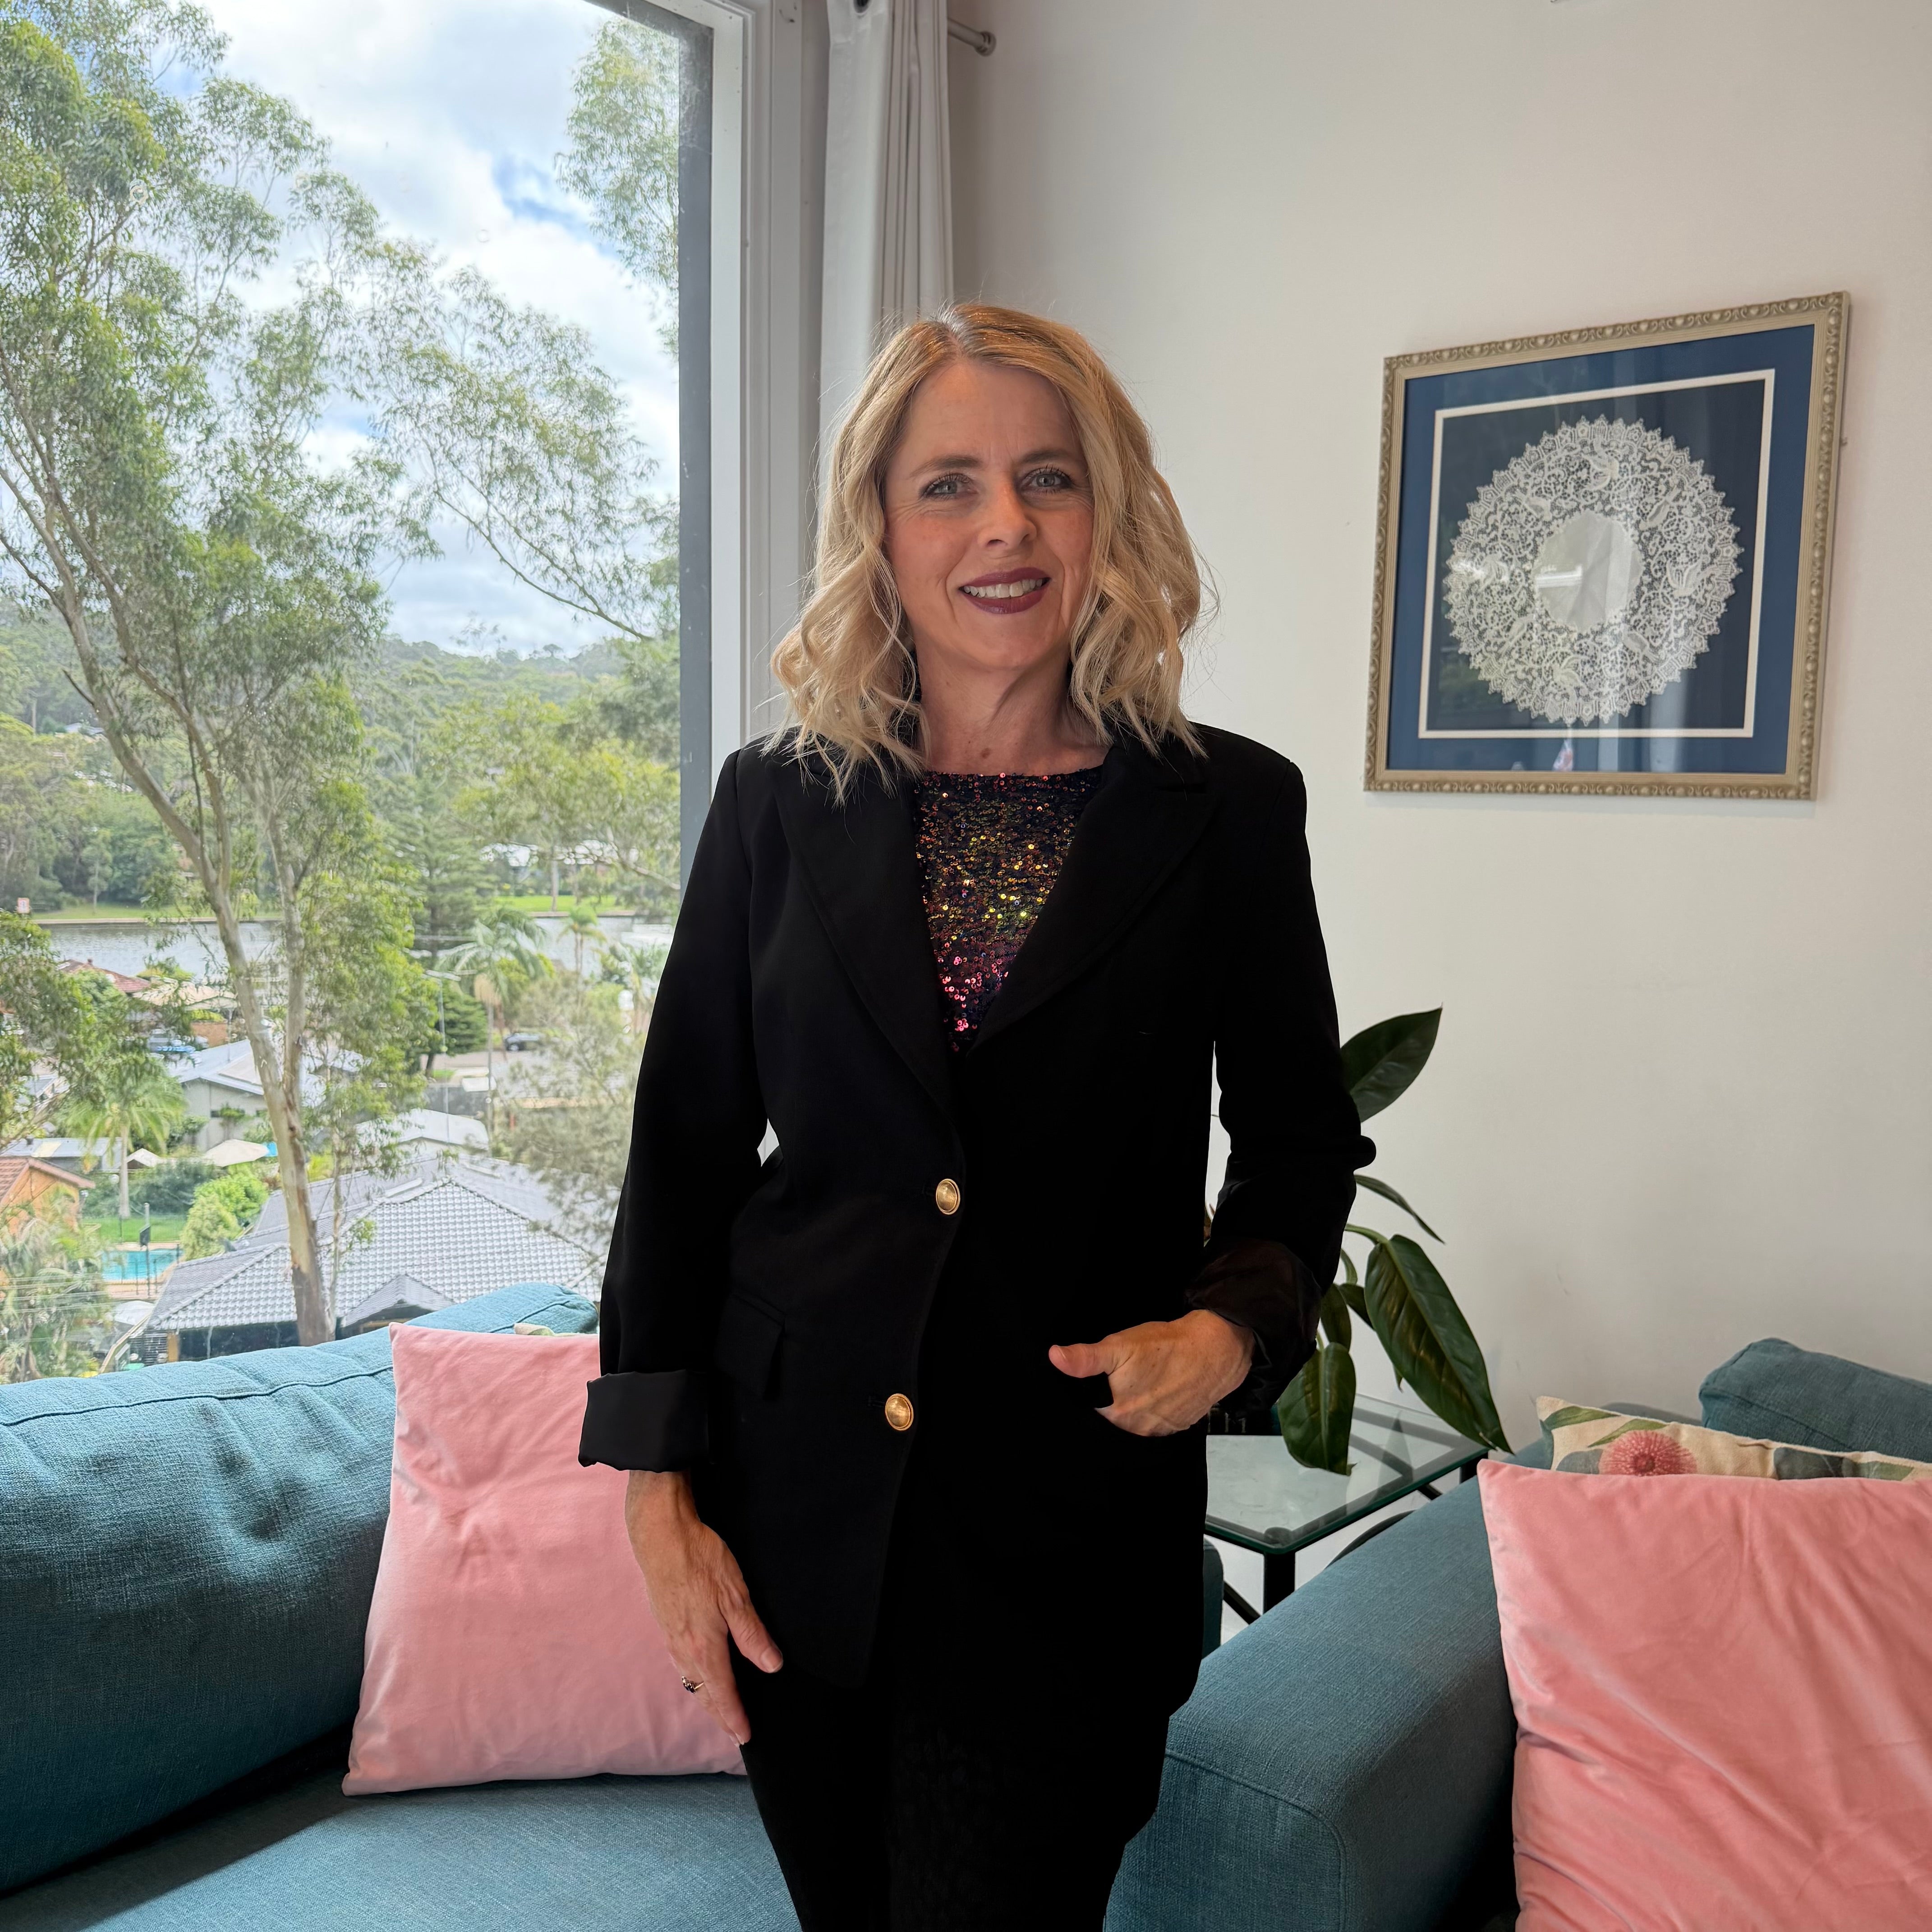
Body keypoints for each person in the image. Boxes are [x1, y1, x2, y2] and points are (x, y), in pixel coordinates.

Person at [579, 303, 1371, 1929]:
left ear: (1107, 513)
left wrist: (1230, 1329)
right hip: (793, 1527)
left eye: (1047, 478)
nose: (1004, 523)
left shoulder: (1227, 809)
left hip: (1065, 1543)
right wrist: (657, 1495)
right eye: (948, 484)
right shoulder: (775, 800)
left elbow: (1299, 1135)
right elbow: (683, 1150)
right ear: (880, 526)